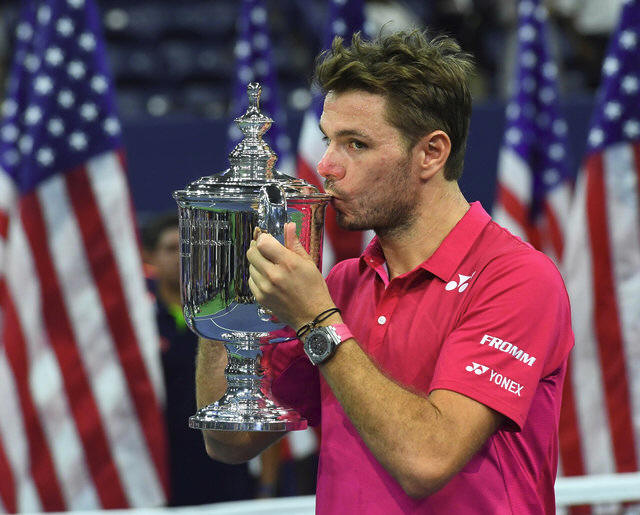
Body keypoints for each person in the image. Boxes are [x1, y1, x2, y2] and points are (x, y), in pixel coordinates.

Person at [195, 30, 574, 513]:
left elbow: (427, 460)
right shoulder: (340, 284)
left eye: (355, 144)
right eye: (328, 140)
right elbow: (228, 441)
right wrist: (231, 288)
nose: (326, 166)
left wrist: (317, 321)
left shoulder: (516, 278)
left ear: (431, 153)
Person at [142, 213, 255, 506]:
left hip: (225, 464)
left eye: (187, 248)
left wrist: (267, 484)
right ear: (149, 257)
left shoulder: (226, 315)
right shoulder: (138, 323)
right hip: (164, 467)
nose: (181, 257)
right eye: (170, 248)